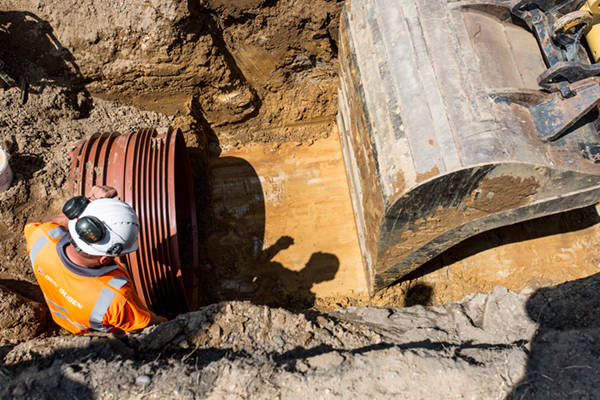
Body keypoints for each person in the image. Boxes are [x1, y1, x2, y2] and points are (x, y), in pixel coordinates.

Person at [24, 185, 167, 334]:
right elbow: (147, 325)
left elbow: (49, 224)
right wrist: (167, 321)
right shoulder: (115, 299)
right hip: (101, 335)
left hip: (67, 320)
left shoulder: (40, 238)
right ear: (104, 259)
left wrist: (88, 203)